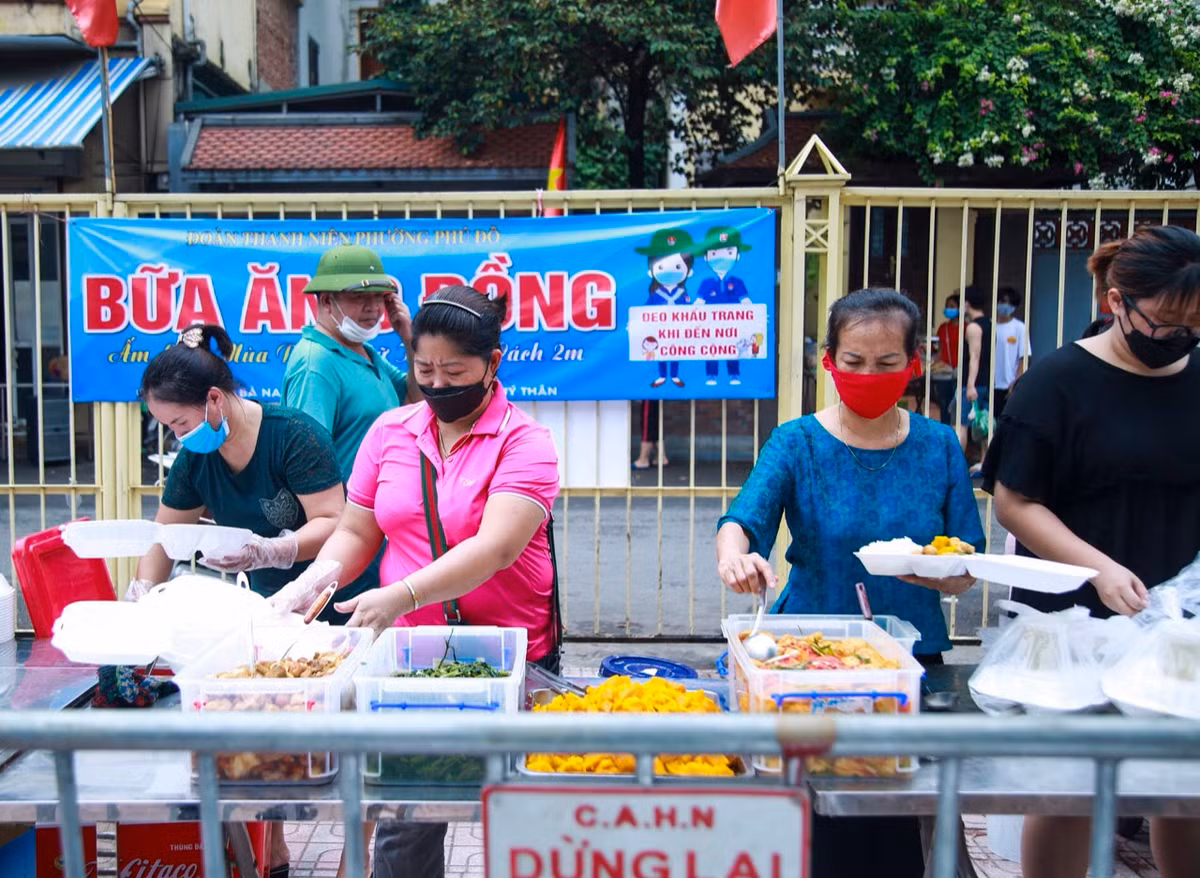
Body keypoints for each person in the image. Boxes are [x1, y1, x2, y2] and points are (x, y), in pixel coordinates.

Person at [272, 284, 561, 878]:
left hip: (515, 658)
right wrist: (313, 582)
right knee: (406, 821)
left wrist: (400, 593)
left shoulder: (527, 442)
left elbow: (496, 547)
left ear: (493, 364)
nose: (437, 384)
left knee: (522, 818)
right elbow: (357, 530)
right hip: (414, 658)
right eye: (424, 369)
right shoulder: (390, 433)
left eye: (454, 370)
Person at [716, 288, 984, 878]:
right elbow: (742, 520)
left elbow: (967, 560)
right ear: (829, 362)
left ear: (914, 364)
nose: (869, 375)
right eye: (854, 362)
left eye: (887, 364)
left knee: (895, 820)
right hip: (804, 663)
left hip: (910, 668)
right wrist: (735, 557)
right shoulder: (797, 442)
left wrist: (943, 575)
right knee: (817, 818)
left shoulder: (940, 446)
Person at [981, 225, 1200, 878]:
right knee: (1066, 787)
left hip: (1179, 623)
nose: (1178, 337)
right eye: (1163, 322)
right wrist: (1097, 568)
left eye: (1192, 323)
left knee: (1184, 786)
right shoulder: (1057, 382)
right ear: (1115, 302)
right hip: (1072, 615)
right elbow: (1014, 502)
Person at [131, 323, 347, 878]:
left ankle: (356, 862)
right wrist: (139, 602)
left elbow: (335, 520)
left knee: (340, 742)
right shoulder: (196, 459)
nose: (178, 436)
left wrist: (275, 550)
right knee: (263, 733)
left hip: (329, 591)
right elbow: (166, 539)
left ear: (213, 399)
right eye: (167, 428)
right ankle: (270, 857)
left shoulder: (292, 436)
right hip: (261, 609)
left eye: (180, 423)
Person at [283, 244, 416, 625]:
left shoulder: (364, 353)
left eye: (380, 297)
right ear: (326, 301)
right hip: (346, 532)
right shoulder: (316, 362)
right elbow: (306, 459)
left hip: (376, 526)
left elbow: (416, 397)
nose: (373, 308)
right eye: (360, 298)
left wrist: (408, 336)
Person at [637, 228, 695, 388]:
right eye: (661, 267)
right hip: (659, 329)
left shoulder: (683, 293)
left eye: (678, 267)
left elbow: (689, 310)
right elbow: (644, 312)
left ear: (689, 272)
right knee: (660, 352)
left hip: (677, 329)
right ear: (652, 271)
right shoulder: (656, 294)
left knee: (676, 352)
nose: (669, 272)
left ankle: (675, 375)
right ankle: (662, 375)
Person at [695, 226, 751, 386]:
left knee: (734, 349)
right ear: (706, 257)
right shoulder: (706, 283)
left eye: (728, 253)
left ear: (736, 256)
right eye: (714, 254)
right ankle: (711, 375)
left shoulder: (737, 282)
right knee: (711, 350)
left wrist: (756, 318)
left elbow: (746, 303)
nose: (721, 258)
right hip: (711, 326)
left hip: (733, 326)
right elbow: (698, 305)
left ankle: (734, 375)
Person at [957, 285, 991, 456]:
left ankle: (958, 463)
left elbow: (974, 356)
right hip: (986, 382)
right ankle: (985, 462)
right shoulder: (990, 325)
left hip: (972, 383)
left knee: (961, 423)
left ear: (967, 303)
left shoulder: (973, 327)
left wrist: (970, 385)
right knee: (985, 423)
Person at [991, 285, 1031, 417]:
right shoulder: (989, 325)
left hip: (1008, 383)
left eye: (1008, 303)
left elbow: (1024, 357)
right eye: (1002, 302)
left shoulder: (1019, 328)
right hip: (988, 383)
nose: (1004, 306)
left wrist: (1016, 382)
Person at [932, 293, 962, 426]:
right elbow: (940, 350)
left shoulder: (966, 328)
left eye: (952, 306)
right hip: (944, 373)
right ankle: (945, 430)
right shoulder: (943, 328)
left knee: (957, 407)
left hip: (960, 373)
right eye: (947, 306)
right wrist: (935, 365)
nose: (948, 309)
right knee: (944, 405)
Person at [633, 399, 668, 469]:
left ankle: (643, 459)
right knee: (655, 421)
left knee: (648, 421)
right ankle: (661, 457)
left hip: (649, 392)